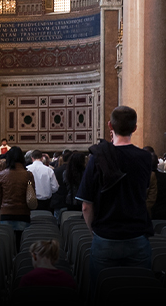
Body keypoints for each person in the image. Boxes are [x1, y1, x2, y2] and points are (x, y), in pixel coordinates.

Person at [76, 104, 153, 288]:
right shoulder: (145, 158)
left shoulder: (97, 157)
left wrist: (93, 231)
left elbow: (86, 205)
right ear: (135, 128)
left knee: (103, 292)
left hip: (106, 238)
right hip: (137, 236)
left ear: (110, 126)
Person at [0, 145, 36, 250]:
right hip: (23, 214)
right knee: (22, 246)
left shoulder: (1, 174)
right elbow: (31, 194)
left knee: (7, 247)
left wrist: (4, 207)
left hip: (6, 214)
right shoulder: (28, 175)